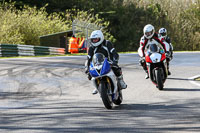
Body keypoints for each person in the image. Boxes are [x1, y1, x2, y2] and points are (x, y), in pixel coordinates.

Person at [85, 30, 127, 94]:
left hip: (108, 62)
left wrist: (115, 61)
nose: (94, 41)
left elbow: (114, 53)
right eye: (93, 39)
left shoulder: (107, 43)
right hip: (97, 64)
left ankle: (120, 80)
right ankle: (97, 86)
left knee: (116, 68)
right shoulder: (91, 47)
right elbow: (89, 58)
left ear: (101, 38)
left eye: (96, 39)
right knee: (89, 74)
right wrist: (87, 67)